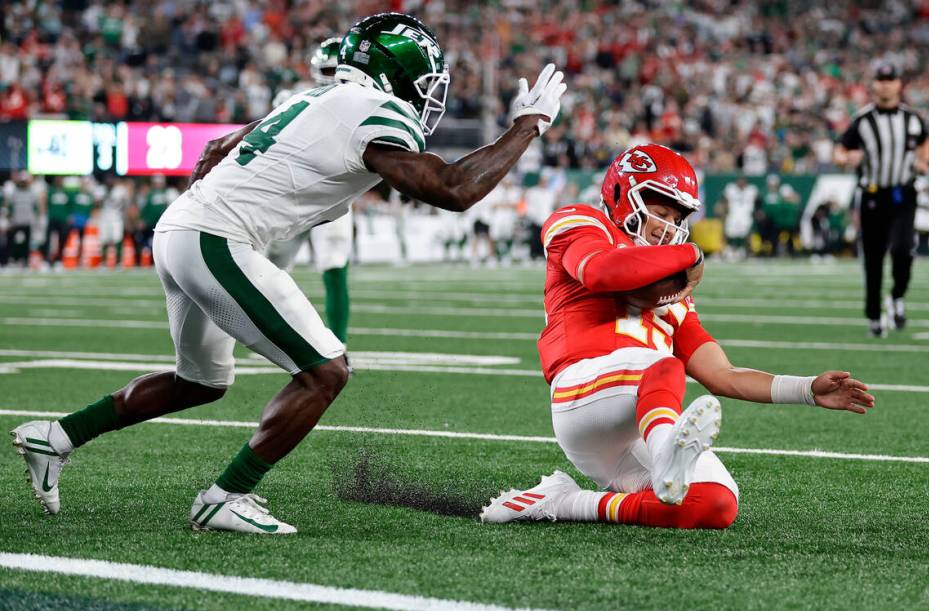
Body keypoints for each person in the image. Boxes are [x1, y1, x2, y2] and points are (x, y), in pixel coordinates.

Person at [10, 12, 566, 535]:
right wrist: (528, 126)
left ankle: (57, 436)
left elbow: (220, 146)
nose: (428, 96)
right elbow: (452, 189)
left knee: (201, 382)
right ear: (399, 73)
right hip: (216, 238)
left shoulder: (314, 99)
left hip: (184, 228)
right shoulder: (372, 109)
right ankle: (226, 496)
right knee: (325, 372)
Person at [481, 144, 875, 529]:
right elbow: (601, 271)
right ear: (621, 195)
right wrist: (690, 255)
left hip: (640, 423)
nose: (669, 225)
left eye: (677, 216)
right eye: (659, 211)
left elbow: (725, 375)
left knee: (715, 503)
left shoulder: (676, 295)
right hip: (584, 397)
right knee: (663, 364)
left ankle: (564, 501)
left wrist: (806, 389)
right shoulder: (582, 222)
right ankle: (669, 453)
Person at [265, 38, 354, 343]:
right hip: (293, 193)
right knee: (265, 270)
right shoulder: (292, 98)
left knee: (334, 267)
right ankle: (271, 336)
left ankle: (339, 344)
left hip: (334, 195)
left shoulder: (361, 103)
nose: (333, 76)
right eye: (328, 69)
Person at [833, 63, 929, 337]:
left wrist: (923, 161)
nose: (886, 85)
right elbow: (840, 150)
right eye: (881, 80)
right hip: (873, 195)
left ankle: (897, 296)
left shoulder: (912, 118)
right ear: (874, 84)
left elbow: (925, 142)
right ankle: (874, 316)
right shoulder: (863, 120)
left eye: (891, 79)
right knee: (873, 260)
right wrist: (845, 158)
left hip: (903, 193)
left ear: (899, 84)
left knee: (903, 249)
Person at [721, 175, 757, 260]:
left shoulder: (751, 190)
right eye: (739, 181)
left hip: (746, 215)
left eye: (743, 181)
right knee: (730, 232)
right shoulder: (731, 189)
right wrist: (724, 211)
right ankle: (730, 250)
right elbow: (724, 201)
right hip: (733, 214)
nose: (741, 183)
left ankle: (744, 250)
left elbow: (757, 201)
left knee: (744, 233)